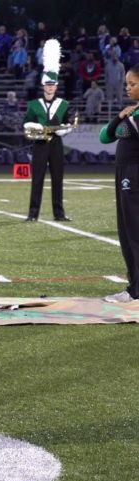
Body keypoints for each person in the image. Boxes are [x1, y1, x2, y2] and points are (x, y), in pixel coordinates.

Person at [100, 64, 139, 303]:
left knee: (133, 232)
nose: (128, 88)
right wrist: (120, 115)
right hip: (124, 172)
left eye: (133, 84)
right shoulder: (133, 112)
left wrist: (128, 117)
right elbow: (104, 136)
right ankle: (134, 285)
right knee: (127, 231)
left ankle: (136, 290)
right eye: (127, 84)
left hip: (133, 175)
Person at [23, 39, 74, 222]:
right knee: (37, 180)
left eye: (53, 84)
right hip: (39, 144)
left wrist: (64, 130)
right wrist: (33, 127)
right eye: (47, 84)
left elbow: (68, 123)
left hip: (57, 144)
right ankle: (33, 214)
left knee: (58, 179)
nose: (50, 87)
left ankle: (59, 214)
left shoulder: (63, 104)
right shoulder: (33, 105)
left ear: (56, 86)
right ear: (43, 86)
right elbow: (25, 123)